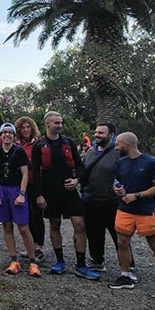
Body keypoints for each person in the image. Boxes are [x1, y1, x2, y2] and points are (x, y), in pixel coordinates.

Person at [108, 133, 155, 299]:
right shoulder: (121, 163)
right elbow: (117, 182)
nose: (116, 148)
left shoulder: (149, 162)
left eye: (118, 144)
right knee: (122, 242)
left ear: (127, 144)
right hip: (124, 209)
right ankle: (126, 275)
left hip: (144, 211)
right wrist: (116, 189)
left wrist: (136, 195)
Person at [32, 111, 99, 280]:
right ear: (47, 124)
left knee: (79, 224)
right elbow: (35, 172)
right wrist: (39, 195)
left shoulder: (68, 142)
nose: (59, 126)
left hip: (69, 190)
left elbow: (80, 166)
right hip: (50, 191)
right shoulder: (39, 146)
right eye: (56, 123)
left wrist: (77, 180)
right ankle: (60, 261)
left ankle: (81, 264)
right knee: (54, 224)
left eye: (61, 122)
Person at [0, 123, 40, 277]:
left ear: (14, 135)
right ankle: (14, 260)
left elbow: (25, 173)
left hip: (16, 189)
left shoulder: (19, 151)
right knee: (7, 225)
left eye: (10, 132)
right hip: (0, 189)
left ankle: (33, 262)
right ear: (0, 135)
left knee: (24, 227)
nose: (7, 135)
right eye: (4, 132)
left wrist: (22, 194)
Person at [80, 123, 129, 273]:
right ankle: (97, 260)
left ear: (111, 135)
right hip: (91, 200)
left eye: (101, 133)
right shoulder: (90, 152)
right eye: (96, 132)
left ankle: (127, 263)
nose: (97, 135)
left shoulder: (119, 152)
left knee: (119, 235)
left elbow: (128, 173)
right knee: (94, 234)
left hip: (113, 202)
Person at [15, 116, 45, 262]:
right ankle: (30, 246)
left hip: (35, 183)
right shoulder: (17, 145)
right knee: (25, 216)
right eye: (22, 127)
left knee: (37, 215)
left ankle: (39, 247)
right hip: (21, 184)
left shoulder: (38, 144)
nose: (26, 130)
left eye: (28, 127)